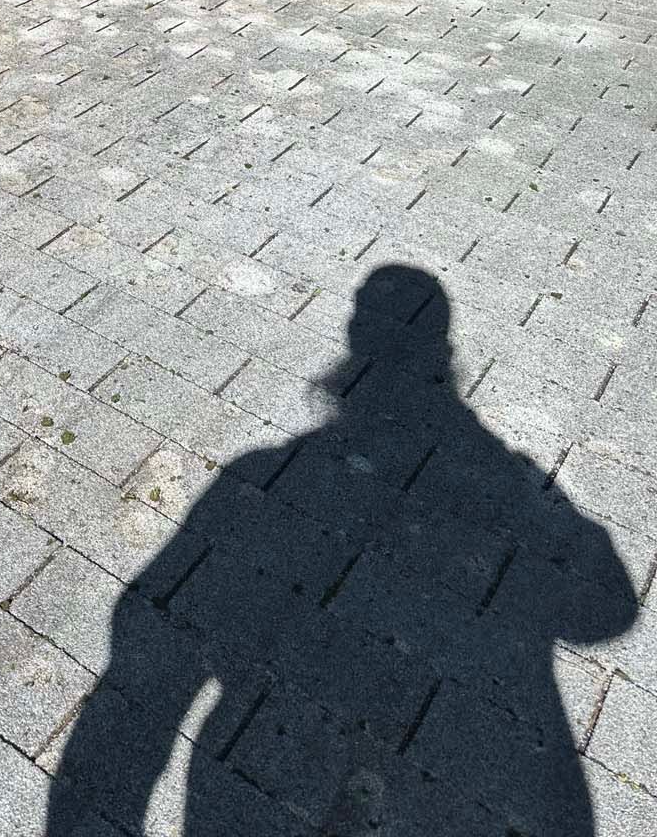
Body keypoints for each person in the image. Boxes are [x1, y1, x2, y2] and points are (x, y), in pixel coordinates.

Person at [47, 264, 638, 836]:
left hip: (261, 761)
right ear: (445, 350)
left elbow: (144, 642)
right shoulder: (505, 478)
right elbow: (605, 615)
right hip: (495, 781)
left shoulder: (259, 471)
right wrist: (542, 506)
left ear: (356, 338)